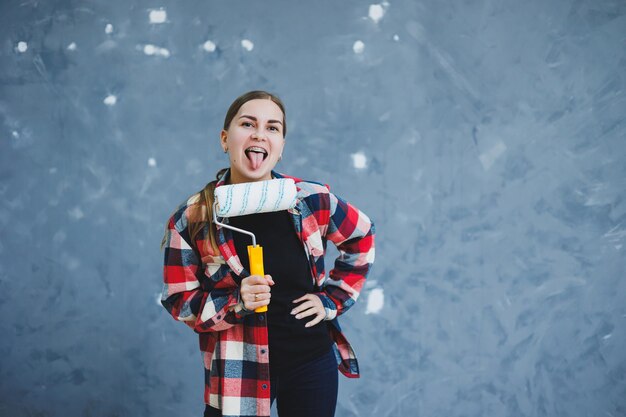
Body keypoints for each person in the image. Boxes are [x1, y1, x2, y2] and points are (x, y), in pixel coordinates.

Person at [160, 90, 375, 417]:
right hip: (238, 371)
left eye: (272, 128)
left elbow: (361, 236)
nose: (260, 133)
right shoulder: (193, 218)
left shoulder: (312, 200)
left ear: (281, 148)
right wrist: (236, 301)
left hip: (311, 362)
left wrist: (332, 299)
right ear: (225, 139)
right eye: (248, 124)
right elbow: (179, 301)